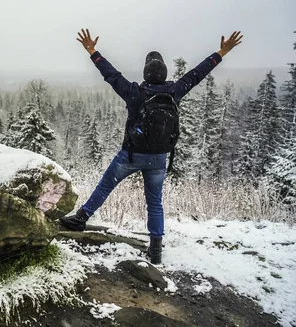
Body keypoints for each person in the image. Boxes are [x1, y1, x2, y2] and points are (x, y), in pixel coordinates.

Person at [60, 29, 243, 264]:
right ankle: (155, 249)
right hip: (159, 158)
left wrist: (92, 51)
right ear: (164, 74)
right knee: (154, 202)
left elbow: (111, 75)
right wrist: (222, 52)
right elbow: (197, 74)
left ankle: (81, 218)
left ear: (146, 73)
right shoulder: (174, 91)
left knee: (106, 185)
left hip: (132, 155)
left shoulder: (135, 92)